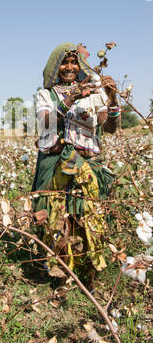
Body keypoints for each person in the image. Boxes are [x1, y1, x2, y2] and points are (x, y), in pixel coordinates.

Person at [31, 43, 120, 286]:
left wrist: (112, 98)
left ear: (81, 65)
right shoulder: (46, 95)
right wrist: (69, 99)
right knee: (57, 219)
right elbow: (46, 123)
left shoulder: (94, 91)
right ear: (54, 66)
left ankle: (89, 274)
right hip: (57, 166)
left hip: (88, 166)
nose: (69, 67)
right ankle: (59, 275)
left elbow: (109, 126)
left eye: (74, 62)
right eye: (64, 62)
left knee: (90, 218)